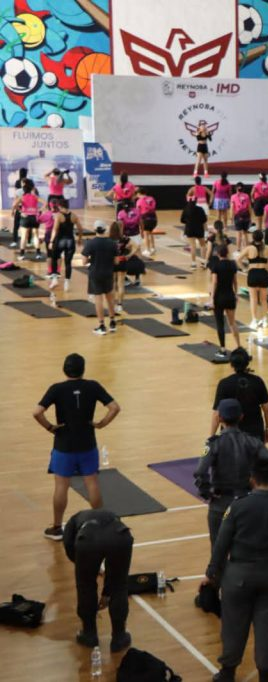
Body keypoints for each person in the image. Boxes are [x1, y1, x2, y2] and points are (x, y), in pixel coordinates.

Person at [204, 457, 268, 682]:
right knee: (267, 628)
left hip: (239, 575)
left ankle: (227, 672)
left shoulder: (238, 506)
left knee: (233, 625)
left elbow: (221, 543)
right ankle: (266, 676)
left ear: (252, 479)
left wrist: (211, 573)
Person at [33, 354, 120, 541]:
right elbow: (115, 407)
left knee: (61, 486)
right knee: (92, 483)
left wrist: (50, 427)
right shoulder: (93, 386)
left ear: (64, 369)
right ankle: (101, 525)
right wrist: (101, 424)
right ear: (83, 369)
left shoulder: (56, 389)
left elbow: (37, 412)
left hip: (63, 445)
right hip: (87, 444)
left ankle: (57, 528)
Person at [195, 398, 268, 543]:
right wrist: (259, 487)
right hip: (246, 502)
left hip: (220, 504)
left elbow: (200, 472)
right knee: (245, 548)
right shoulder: (253, 441)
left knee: (218, 550)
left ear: (219, 417)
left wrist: (206, 493)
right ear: (241, 417)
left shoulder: (214, 444)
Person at [63, 510, 134, 652]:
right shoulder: (112, 515)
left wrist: (85, 566)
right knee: (119, 586)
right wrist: (107, 592)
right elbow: (113, 574)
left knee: (85, 586)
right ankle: (119, 637)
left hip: (88, 541)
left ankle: (89, 634)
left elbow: (70, 548)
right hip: (121, 536)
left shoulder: (72, 522)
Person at [211, 349, 268, 443]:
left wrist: (211, 438)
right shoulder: (258, 381)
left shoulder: (224, 384)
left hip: (230, 436)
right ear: (247, 363)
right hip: (254, 434)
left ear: (231, 364)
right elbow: (267, 409)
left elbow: (216, 414)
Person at [238, 230, 268, 330]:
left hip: (252, 274)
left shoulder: (249, 248)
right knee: (264, 300)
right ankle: (265, 320)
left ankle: (254, 320)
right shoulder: (267, 248)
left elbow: (238, 259)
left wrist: (244, 269)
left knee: (253, 299)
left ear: (253, 238)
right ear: (262, 238)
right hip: (263, 273)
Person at [82, 223, 118, 334]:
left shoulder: (90, 243)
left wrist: (92, 259)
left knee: (98, 299)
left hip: (95, 273)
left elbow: (84, 262)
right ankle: (112, 322)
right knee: (110, 298)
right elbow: (116, 261)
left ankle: (101, 325)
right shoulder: (112, 243)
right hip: (108, 273)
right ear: (105, 230)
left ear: (95, 230)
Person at [209, 243, 241, 359]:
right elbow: (235, 282)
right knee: (232, 323)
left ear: (218, 254)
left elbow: (214, 283)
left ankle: (222, 349)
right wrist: (236, 294)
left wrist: (211, 299)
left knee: (220, 324)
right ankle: (239, 347)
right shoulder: (232, 264)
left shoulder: (216, 266)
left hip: (219, 297)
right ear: (227, 253)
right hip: (230, 296)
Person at [47, 196, 82, 292]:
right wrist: (79, 239)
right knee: (68, 262)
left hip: (60, 241)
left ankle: (55, 279)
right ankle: (67, 283)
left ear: (60, 206)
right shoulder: (74, 216)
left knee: (54, 258)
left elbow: (55, 230)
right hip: (70, 241)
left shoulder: (58, 216)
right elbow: (80, 229)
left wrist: (51, 241)